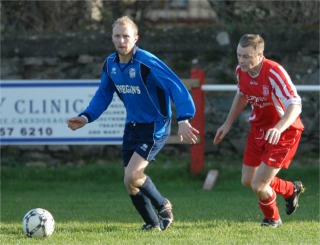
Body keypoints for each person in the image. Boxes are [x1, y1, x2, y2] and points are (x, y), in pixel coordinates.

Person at [67, 16, 199, 231]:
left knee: (133, 175)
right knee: (129, 182)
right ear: (112, 38)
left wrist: (183, 118)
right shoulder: (110, 64)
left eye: (126, 36)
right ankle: (152, 223)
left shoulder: (147, 62)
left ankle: (163, 205)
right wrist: (86, 117)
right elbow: (103, 95)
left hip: (156, 125)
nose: (121, 40)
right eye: (117, 36)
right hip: (133, 126)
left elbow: (175, 86)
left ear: (136, 38)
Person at [213, 34, 304, 227]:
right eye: (239, 55)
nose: (241, 61)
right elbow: (242, 94)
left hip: (284, 133)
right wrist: (227, 123)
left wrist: (278, 128)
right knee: (248, 180)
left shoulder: (274, 73)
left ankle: (272, 219)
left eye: (246, 56)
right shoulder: (241, 71)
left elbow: (295, 104)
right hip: (258, 130)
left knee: (259, 185)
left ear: (260, 55)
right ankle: (289, 189)